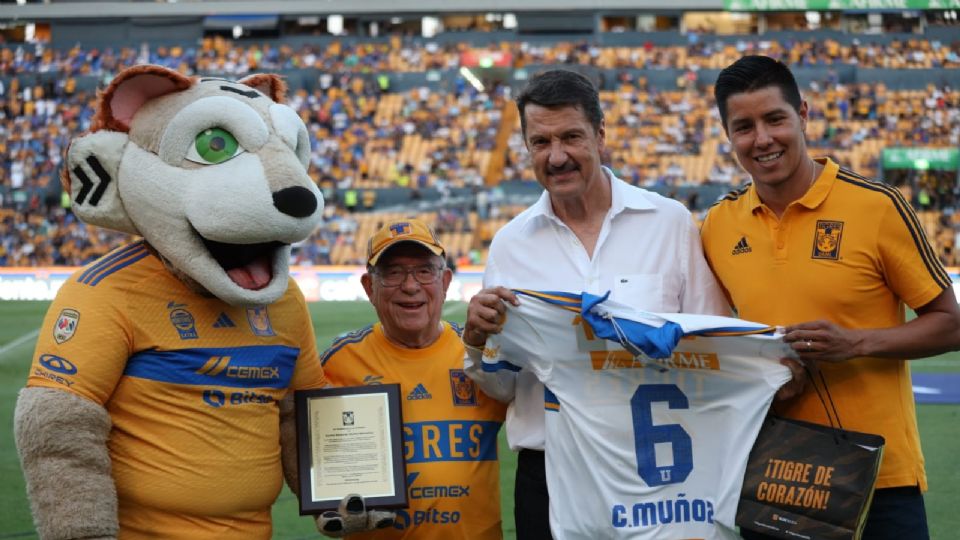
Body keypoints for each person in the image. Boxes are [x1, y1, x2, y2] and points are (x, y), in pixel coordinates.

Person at [461, 69, 731, 539]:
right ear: (525, 147)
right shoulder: (510, 244)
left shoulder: (669, 223)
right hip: (547, 476)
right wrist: (478, 340)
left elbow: (717, 349)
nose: (557, 156)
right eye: (540, 142)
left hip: (659, 475)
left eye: (571, 137)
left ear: (601, 135)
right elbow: (504, 389)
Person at [701, 55, 960, 540]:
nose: (762, 139)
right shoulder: (718, 225)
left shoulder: (878, 206)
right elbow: (717, 343)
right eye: (744, 126)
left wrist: (856, 344)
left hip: (880, 477)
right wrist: (764, 377)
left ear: (803, 114)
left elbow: (951, 323)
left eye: (775, 118)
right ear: (727, 134)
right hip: (776, 476)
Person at [320, 218, 507, 539]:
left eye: (424, 271)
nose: (410, 285)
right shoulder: (338, 362)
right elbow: (316, 466)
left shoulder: (480, 356)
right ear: (369, 287)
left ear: (445, 281)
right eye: (393, 273)